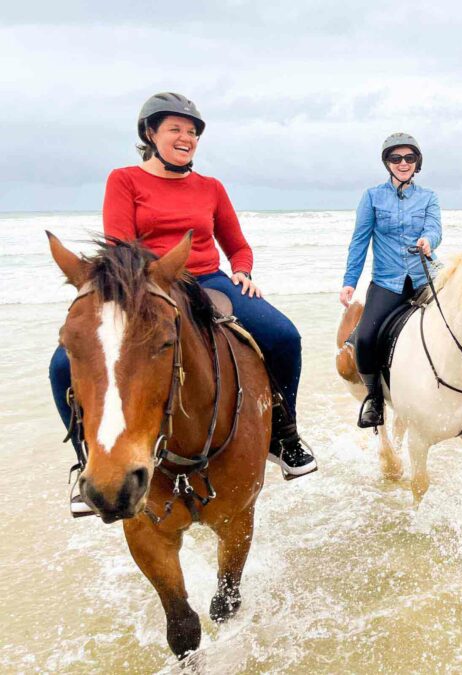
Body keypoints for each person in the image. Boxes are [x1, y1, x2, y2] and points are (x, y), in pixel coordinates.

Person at [50, 92, 317, 516]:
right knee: (62, 365)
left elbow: (237, 245)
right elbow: (121, 248)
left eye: (192, 132)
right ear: (150, 133)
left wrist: (243, 271)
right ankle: (88, 464)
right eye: (175, 128)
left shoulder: (210, 188)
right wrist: (145, 282)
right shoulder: (124, 180)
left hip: (208, 280)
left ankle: (285, 437)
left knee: (285, 336)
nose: (186, 137)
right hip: (147, 287)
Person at [341, 133, 442, 429]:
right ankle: (374, 398)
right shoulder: (372, 197)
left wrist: (428, 240)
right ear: (387, 162)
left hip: (426, 278)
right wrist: (350, 282)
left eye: (409, 158)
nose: (403, 163)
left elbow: (435, 228)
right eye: (396, 158)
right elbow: (359, 242)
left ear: (417, 163)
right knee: (366, 339)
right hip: (388, 282)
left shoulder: (428, 197)